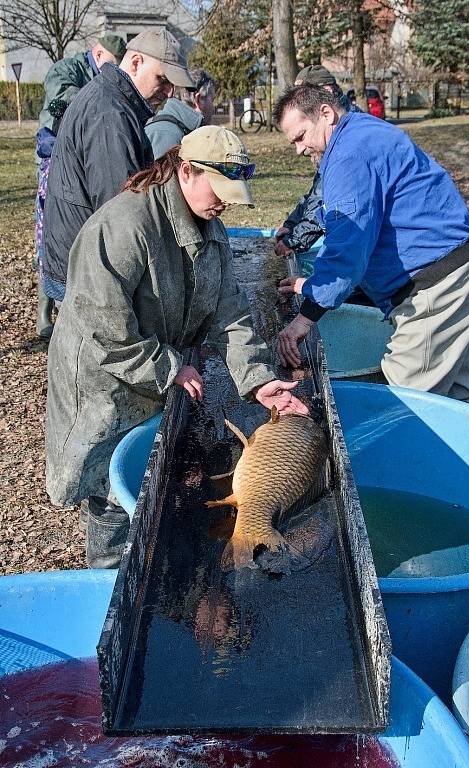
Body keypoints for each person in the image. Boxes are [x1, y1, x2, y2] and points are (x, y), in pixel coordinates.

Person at [45, 125, 308, 568]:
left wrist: (259, 379)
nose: (225, 202)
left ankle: (147, 558)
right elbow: (105, 329)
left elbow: (232, 314)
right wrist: (170, 368)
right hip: (100, 378)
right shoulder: (123, 226)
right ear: (186, 171)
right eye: (220, 189)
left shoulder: (211, 229)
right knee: (107, 489)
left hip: (148, 369)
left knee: (148, 478)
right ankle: (109, 575)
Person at [274, 85, 469, 405]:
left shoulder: (348, 155)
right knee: (458, 399)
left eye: (300, 136)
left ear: (326, 113)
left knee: (408, 406)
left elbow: (347, 248)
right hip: (465, 264)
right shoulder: (366, 131)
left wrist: (304, 319)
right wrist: (312, 283)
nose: (299, 149)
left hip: (434, 288)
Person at [42, 27, 194, 303]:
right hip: (85, 269)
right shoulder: (110, 113)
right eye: (162, 79)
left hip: (83, 255)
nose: (169, 92)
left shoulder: (116, 101)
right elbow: (119, 207)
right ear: (136, 63)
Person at [35, 33, 126, 338]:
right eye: (112, 65)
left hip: (84, 157)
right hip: (53, 155)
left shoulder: (102, 77)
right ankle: (45, 309)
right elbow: (61, 98)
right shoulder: (66, 70)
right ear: (97, 54)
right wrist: (101, 94)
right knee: (50, 230)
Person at [274, 65, 355, 260]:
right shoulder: (336, 138)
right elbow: (318, 193)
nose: (299, 150)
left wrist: (293, 240)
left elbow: (328, 208)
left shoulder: (349, 145)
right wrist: (292, 223)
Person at [145, 68, 217, 159]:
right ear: (198, 99)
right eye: (212, 100)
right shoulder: (167, 135)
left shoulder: (177, 129)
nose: (213, 107)